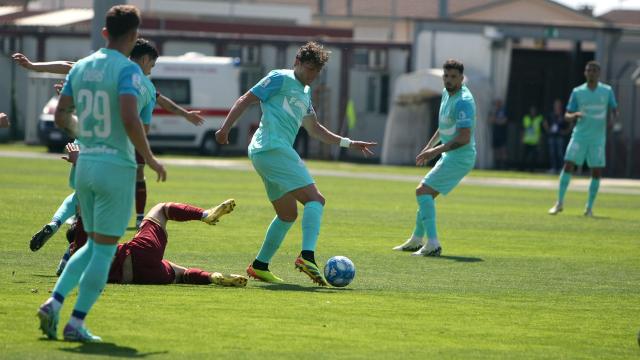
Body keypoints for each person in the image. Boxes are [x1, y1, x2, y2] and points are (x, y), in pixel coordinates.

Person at [37, 4, 167, 343]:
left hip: (86, 166)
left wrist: (88, 134)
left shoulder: (81, 67)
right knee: (104, 249)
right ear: (134, 36)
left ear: (105, 33)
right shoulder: (129, 72)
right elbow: (129, 116)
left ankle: (54, 303)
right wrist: (150, 158)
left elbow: (62, 116)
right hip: (115, 168)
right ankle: (76, 321)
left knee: (92, 244)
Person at [215, 41, 376, 286]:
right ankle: (307, 256)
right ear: (297, 63)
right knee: (316, 200)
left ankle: (260, 265)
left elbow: (315, 130)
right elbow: (246, 99)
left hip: (269, 153)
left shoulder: (306, 92)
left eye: (317, 71)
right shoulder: (279, 77)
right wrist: (225, 128)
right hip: (272, 148)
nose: (313, 75)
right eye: (309, 68)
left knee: (287, 215)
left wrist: (348, 142)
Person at [13, 40, 204, 229]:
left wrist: (34, 67)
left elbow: (69, 66)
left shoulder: (109, 69)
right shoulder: (147, 87)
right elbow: (144, 125)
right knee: (110, 197)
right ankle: (106, 223)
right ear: (145, 59)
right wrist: (150, 155)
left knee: (85, 193)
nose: (151, 70)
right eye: (152, 65)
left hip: (88, 137)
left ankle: (63, 223)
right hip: (118, 146)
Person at [393, 59, 476, 257]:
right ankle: (416, 240)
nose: (448, 80)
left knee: (422, 191)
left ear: (461, 78)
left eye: (454, 77)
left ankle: (433, 243)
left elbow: (464, 138)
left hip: (460, 158)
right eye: (446, 76)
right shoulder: (447, 94)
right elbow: (444, 126)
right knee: (426, 195)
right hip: (450, 154)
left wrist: (435, 151)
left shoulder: (463, 100)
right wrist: (429, 145)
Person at [65, 196, 245, 287]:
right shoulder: (81, 246)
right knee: (161, 209)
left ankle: (212, 277)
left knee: (180, 274)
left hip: (143, 278)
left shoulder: (75, 262)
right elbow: (83, 205)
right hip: (139, 253)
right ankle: (204, 215)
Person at [548, 61, 618, 217]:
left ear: (599, 73)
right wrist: (574, 115)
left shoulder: (607, 91)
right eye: (589, 70)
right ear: (585, 73)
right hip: (579, 136)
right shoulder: (578, 92)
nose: (591, 73)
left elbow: (614, 109)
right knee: (568, 165)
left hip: (598, 138)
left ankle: (589, 207)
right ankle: (559, 202)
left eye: (594, 70)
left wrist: (613, 121)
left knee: (596, 171)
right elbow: (567, 115)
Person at [543, 99, 568, 174]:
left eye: (558, 105)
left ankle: (562, 168)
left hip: (560, 136)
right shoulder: (551, 114)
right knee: (552, 153)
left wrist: (566, 131)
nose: (557, 106)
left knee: (560, 153)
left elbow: (570, 124)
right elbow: (545, 122)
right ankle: (553, 168)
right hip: (552, 136)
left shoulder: (563, 115)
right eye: (556, 105)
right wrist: (548, 130)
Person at [520, 105, 543, 172]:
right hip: (527, 140)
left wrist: (540, 140)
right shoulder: (526, 118)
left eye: (534, 110)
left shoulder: (539, 119)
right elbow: (523, 129)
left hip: (535, 141)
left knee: (534, 157)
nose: (533, 112)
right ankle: (522, 169)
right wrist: (522, 138)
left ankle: (532, 169)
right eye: (532, 110)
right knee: (524, 156)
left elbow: (541, 130)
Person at [489, 99, 508, 169]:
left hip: (502, 133)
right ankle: (497, 165)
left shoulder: (504, 111)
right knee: (496, 149)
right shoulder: (494, 111)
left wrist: (496, 121)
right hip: (495, 133)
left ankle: (504, 165)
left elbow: (504, 121)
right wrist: (496, 120)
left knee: (502, 149)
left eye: (498, 103)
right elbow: (490, 120)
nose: (497, 105)